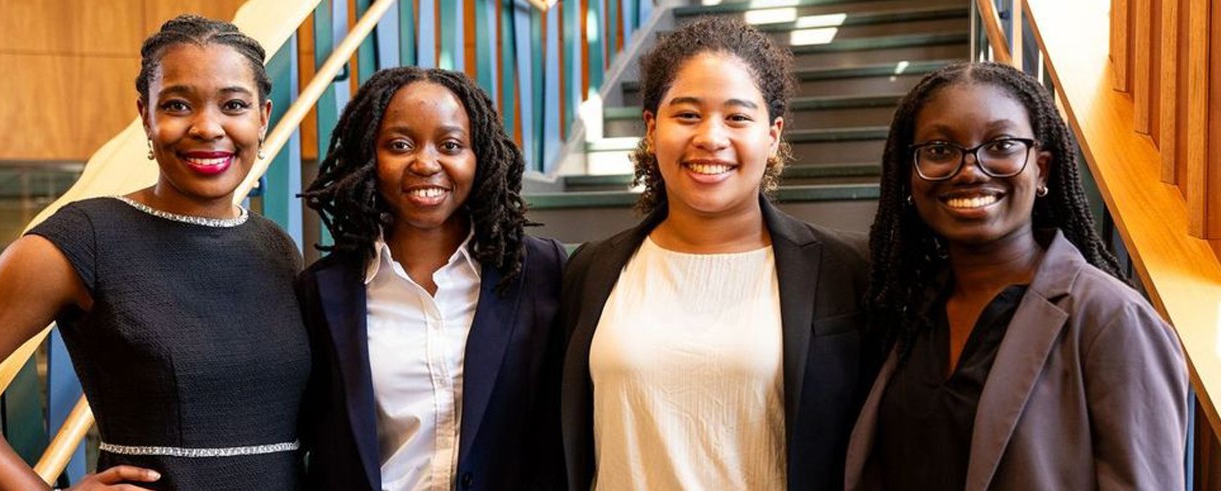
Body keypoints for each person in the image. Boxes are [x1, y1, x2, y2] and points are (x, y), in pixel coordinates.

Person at [0, 14, 310, 491]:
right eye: (177, 105)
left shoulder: (275, 246)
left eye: (233, 105)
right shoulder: (87, 237)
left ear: (262, 118)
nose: (207, 127)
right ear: (145, 117)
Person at [557, 17, 875, 491]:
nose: (710, 137)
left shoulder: (847, 270)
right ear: (651, 128)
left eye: (738, 117)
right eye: (686, 114)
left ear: (772, 135)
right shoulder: (590, 270)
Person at [844, 61, 1188, 490]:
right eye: (938, 150)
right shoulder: (907, 311)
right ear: (910, 176)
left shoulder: (1110, 318)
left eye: (1001, 144)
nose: (969, 170)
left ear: (1040, 169)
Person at [298, 66, 567, 490]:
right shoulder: (323, 293)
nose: (426, 162)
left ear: (479, 157)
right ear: (369, 157)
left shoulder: (543, 272)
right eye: (400, 145)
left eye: (451, 145)